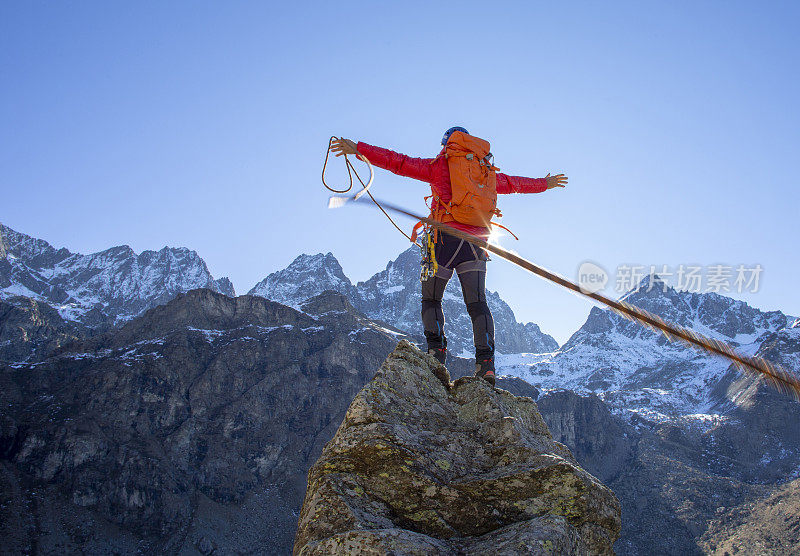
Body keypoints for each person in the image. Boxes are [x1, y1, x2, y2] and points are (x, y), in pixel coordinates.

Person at [330, 127, 566, 385]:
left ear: (446, 145)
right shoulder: (485, 174)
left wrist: (359, 149)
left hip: (443, 240)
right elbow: (514, 184)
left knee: (431, 299)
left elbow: (398, 162)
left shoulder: (439, 166)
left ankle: (436, 352)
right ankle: (486, 364)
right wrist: (545, 184)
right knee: (477, 303)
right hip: (476, 244)